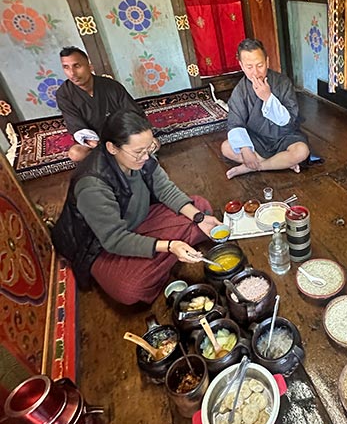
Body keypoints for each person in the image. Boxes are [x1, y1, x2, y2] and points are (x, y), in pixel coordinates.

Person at [51, 110, 222, 305]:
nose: (146, 156)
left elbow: (165, 190)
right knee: (132, 290)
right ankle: (167, 254)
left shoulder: (142, 156)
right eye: (138, 152)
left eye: (149, 148)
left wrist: (199, 218)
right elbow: (114, 239)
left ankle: (160, 257)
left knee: (200, 208)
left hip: (139, 220)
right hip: (99, 246)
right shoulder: (92, 185)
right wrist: (170, 245)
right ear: (112, 148)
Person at [221, 38, 310, 178]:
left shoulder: (283, 82)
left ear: (267, 62)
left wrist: (268, 97)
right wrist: (245, 149)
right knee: (226, 147)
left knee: (301, 151)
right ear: (241, 66)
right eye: (249, 67)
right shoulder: (240, 90)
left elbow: (289, 120)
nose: (256, 72)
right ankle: (279, 163)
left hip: (283, 136)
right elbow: (235, 123)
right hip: (256, 138)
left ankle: (255, 167)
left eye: (260, 65)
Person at [56, 46, 142, 162]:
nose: (72, 73)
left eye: (77, 66)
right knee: (76, 154)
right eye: (66, 67)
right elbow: (75, 124)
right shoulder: (64, 94)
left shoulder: (111, 86)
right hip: (94, 141)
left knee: (149, 143)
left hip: (119, 134)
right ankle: (115, 158)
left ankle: (114, 158)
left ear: (90, 66)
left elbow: (132, 112)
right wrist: (94, 142)